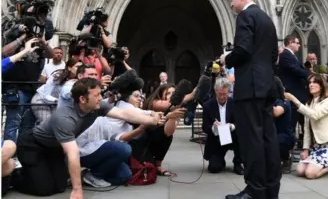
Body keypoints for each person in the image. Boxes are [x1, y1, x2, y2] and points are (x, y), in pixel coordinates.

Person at [15, 78, 166, 198]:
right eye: (97, 95)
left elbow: (125, 114)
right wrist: (77, 190)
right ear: (82, 99)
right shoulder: (65, 118)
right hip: (33, 145)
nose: (101, 98)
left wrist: (152, 120)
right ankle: (16, 174)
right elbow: (72, 153)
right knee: (44, 189)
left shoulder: (97, 107)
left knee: (60, 186)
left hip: (53, 148)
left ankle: (37, 172)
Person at [221, 0, 281, 199]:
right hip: (266, 85)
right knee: (268, 138)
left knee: (251, 139)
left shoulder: (245, 17)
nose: (230, 4)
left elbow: (243, 50)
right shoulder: (267, 19)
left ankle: (255, 190)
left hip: (250, 88)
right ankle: (270, 189)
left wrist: (227, 58)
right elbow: (274, 55)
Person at [285, 74, 328, 179]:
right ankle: (327, 162)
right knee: (300, 171)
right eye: (310, 83)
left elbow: (314, 115)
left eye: (314, 82)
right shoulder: (309, 103)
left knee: (310, 174)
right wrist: (306, 149)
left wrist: (294, 100)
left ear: (321, 85)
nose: (311, 85)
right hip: (316, 147)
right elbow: (306, 128)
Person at [202, 77, 243, 175]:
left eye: (224, 94)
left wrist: (231, 126)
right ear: (215, 91)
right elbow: (204, 126)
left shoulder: (234, 103)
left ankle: (238, 163)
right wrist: (213, 127)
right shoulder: (208, 105)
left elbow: (240, 122)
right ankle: (220, 160)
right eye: (219, 94)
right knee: (214, 168)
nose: (221, 97)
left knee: (241, 133)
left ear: (229, 92)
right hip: (216, 138)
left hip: (232, 135)